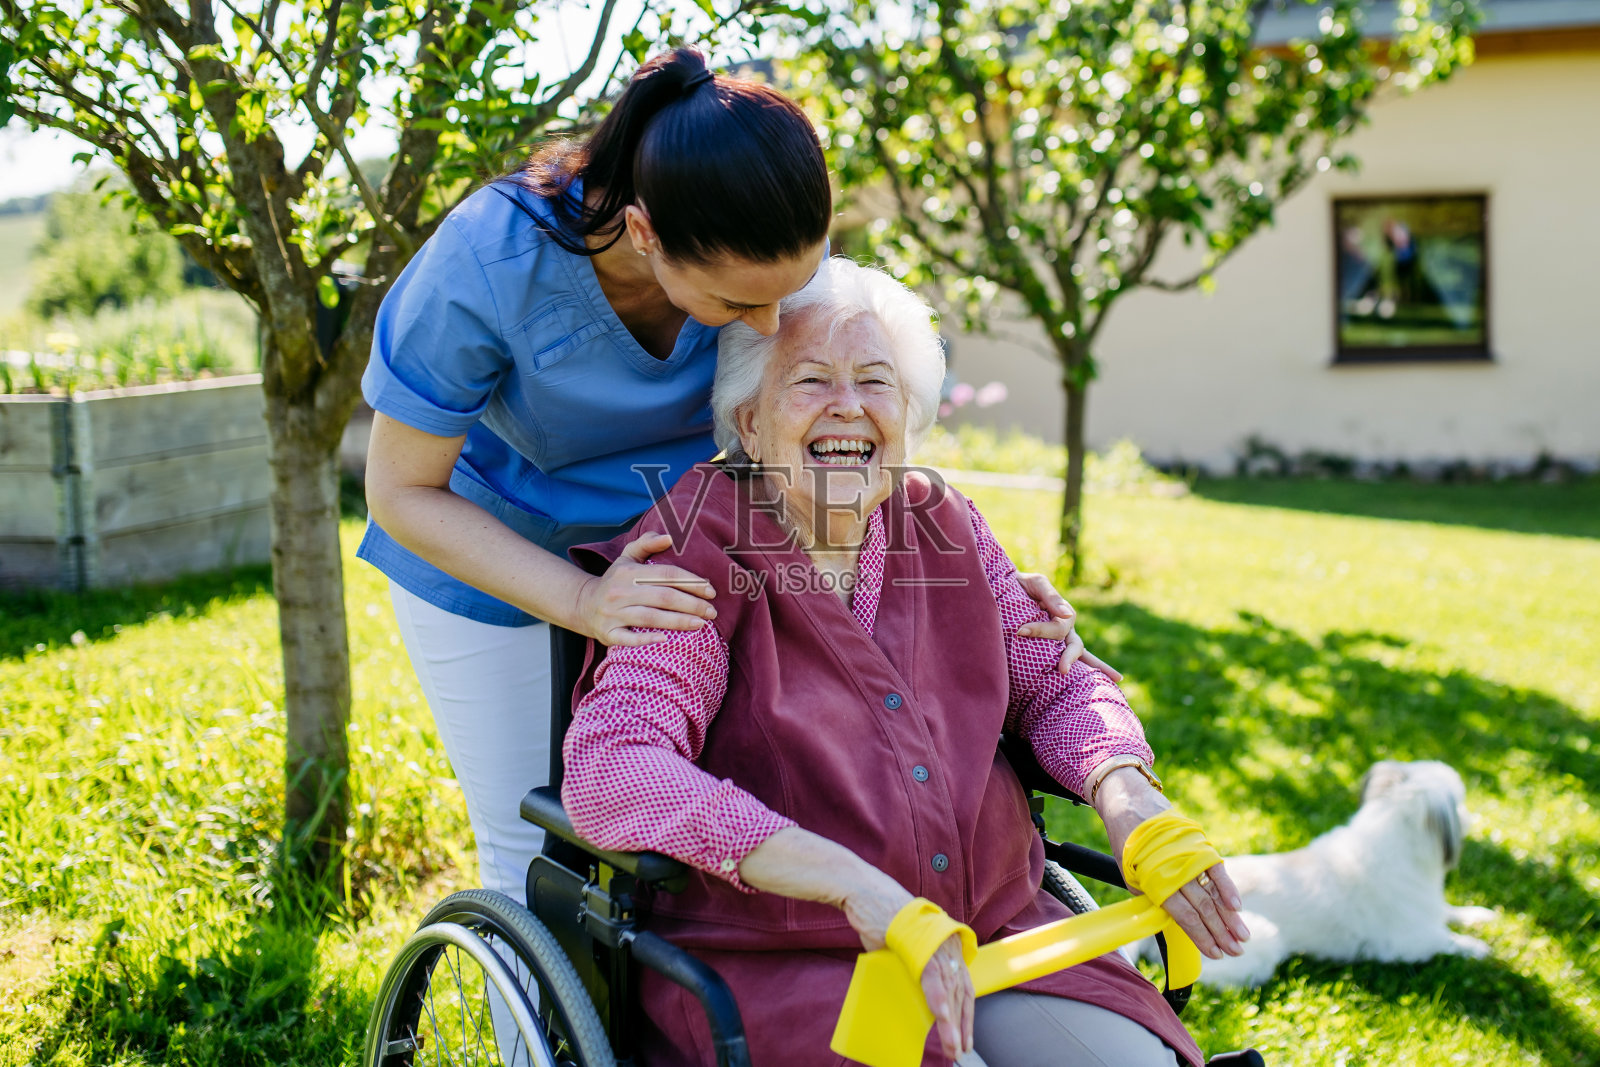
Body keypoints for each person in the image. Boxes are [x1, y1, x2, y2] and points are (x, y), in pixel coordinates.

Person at [361, 48, 1106, 912]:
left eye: (787, 293)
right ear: (645, 235)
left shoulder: (764, 246)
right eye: (737, 306)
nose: (768, 323)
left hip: (696, 550)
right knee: (533, 847)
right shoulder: (488, 263)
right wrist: (583, 600)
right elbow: (402, 490)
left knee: (682, 822)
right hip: (497, 550)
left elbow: (851, 404)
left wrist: (985, 593)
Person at [561, 259, 1250, 1067]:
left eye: (876, 381)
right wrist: (852, 884)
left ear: (909, 413)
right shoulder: (693, 551)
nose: (848, 405)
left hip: (995, 929)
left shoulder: (942, 523)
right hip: (793, 960)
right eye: (811, 378)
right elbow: (615, 768)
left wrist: (1130, 798)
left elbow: (1055, 681)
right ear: (749, 424)